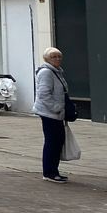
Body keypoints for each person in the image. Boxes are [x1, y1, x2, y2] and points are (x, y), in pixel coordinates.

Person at [34, 47, 71, 183]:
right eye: (53, 57)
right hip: (49, 113)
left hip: (56, 113)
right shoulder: (46, 73)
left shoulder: (57, 72)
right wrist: (56, 108)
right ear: (47, 59)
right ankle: (49, 172)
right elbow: (44, 94)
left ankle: (53, 170)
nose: (57, 59)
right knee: (52, 142)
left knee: (58, 141)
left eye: (59, 56)